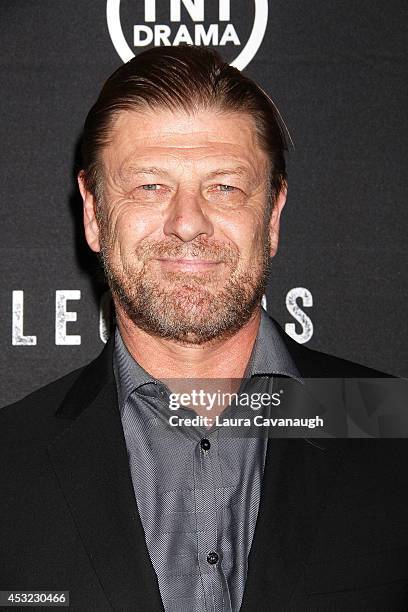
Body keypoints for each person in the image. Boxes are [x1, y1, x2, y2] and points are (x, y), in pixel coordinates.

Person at [1, 45, 407, 612]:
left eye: (224, 187)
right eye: (149, 186)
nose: (188, 223)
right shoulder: (10, 462)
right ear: (94, 213)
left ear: (272, 215)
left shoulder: (394, 432)